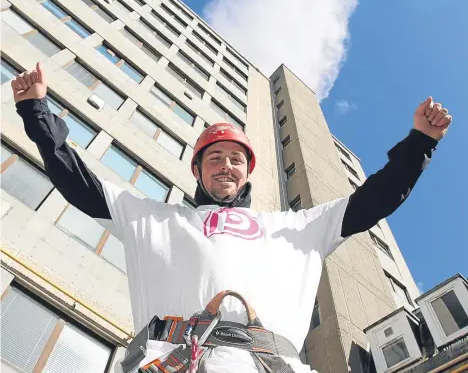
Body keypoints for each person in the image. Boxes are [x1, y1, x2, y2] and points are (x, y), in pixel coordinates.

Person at [11, 62, 452, 373]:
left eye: (235, 159)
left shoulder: (294, 228)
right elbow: (75, 179)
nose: (225, 166)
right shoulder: (154, 219)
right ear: (198, 170)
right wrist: (36, 111)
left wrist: (420, 143)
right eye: (215, 158)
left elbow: (373, 200)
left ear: (247, 171)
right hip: (170, 364)